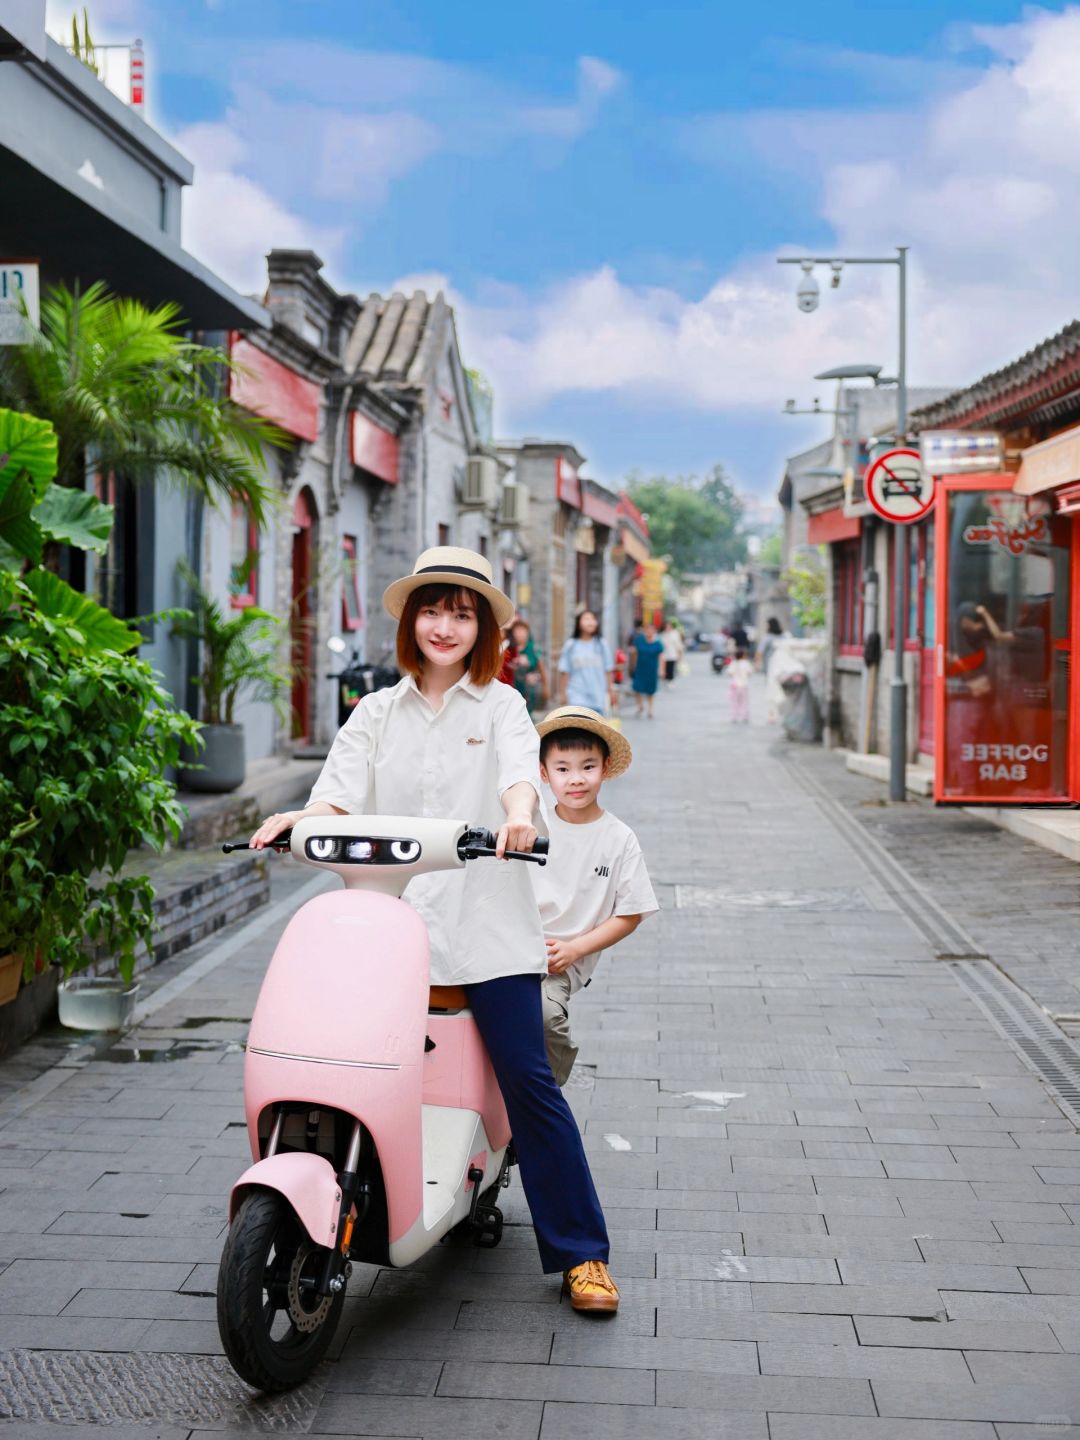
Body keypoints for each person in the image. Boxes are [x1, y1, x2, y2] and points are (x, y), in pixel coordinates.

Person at [249, 546, 618, 1313]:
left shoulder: (503, 706)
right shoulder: (377, 710)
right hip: (387, 928)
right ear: (410, 620)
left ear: (481, 626)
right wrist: (296, 818)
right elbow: (338, 795)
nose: (444, 625)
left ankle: (581, 1252)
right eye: (431, 608)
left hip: (485, 928)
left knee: (528, 1079)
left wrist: (520, 816)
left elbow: (522, 775)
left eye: (460, 612)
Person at [532, 707, 658, 1086]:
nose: (576, 780)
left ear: (605, 768)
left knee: (544, 1015)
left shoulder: (617, 838)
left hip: (561, 959)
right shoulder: (530, 822)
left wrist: (575, 949)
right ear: (543, 773)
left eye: (587, 767)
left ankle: (545, 1093)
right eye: (563, 768)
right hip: (511, 944)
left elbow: (631, 913)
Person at [558, 610, 615, 716]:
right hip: (576, 696)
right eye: (586, 619)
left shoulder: (601, 644)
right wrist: (562, 693)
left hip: (597, 697)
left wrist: (611, 691)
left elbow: (608, 670)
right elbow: (565, 671)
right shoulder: (571, 645)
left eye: (593, 619)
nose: (590, 622)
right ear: (579, 623)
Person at [508, 617, 548, 714]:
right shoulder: (509, 649)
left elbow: (541, 668)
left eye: (523, 630)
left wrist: (545, 687)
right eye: (517, 631)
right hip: (512, 688)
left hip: (529, 691)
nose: (520, 633)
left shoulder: (533, 649)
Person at [631, 622, 663, 717]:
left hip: (651, 670)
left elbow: (661, 658)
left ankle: (650, 709)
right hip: (640, 668)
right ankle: (640, 706)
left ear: (654, 631)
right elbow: (635, 653)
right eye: (647, 629)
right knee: (636, 688)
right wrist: (633, 666)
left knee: (651, 690)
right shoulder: (639, 640)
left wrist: (661, 670)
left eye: (651, 630)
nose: (649, 631)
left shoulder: (658, 644)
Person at [728, 646, 753, 724]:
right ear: (743, 655)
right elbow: (750, 673)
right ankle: (744, 716)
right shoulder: (746, 663)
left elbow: (729, 673)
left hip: (734, 685)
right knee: (744, 702)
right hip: (743, 685)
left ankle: (734, 716)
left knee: (734, 702)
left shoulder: (733, 663)